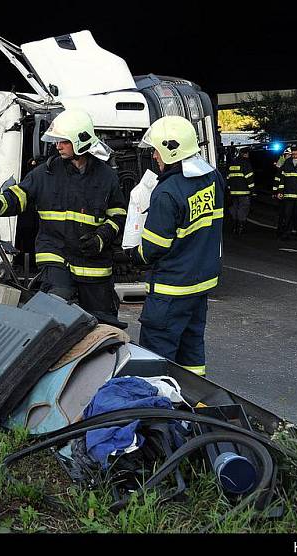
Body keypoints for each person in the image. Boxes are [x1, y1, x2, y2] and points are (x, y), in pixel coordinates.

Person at [0, 109, 127, 327]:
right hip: (55, 254)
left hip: (93, 264)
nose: (58, 146)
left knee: (104, 323)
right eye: (57, 141)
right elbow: (16, 199)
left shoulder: (107, 177)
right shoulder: (44, 174)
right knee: (57, 309)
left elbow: (118, 214)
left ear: (81, 141)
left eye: (64, 141)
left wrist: (101, 237)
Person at [128, 116, 224, 377]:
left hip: (170, 290)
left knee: (156, 358)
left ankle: (159, 413)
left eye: (157, 150)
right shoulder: (213, 178)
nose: (155, 156)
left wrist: (132, 255)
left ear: (170, 150)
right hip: (199, 287)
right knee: (191, 355)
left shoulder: (167, 191)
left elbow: (153, 248)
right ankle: (191, 406)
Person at [226, 146, 255, 234]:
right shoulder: (246, 164)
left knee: (235, 208)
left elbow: (228, 178)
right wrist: (252, 190)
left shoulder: (232, 163)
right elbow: (249, 178)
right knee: (243, 209)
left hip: (233, 192)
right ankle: (240, 227)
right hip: (244, 192)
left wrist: (229, 189)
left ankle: (234, 226)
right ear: (245, 154)